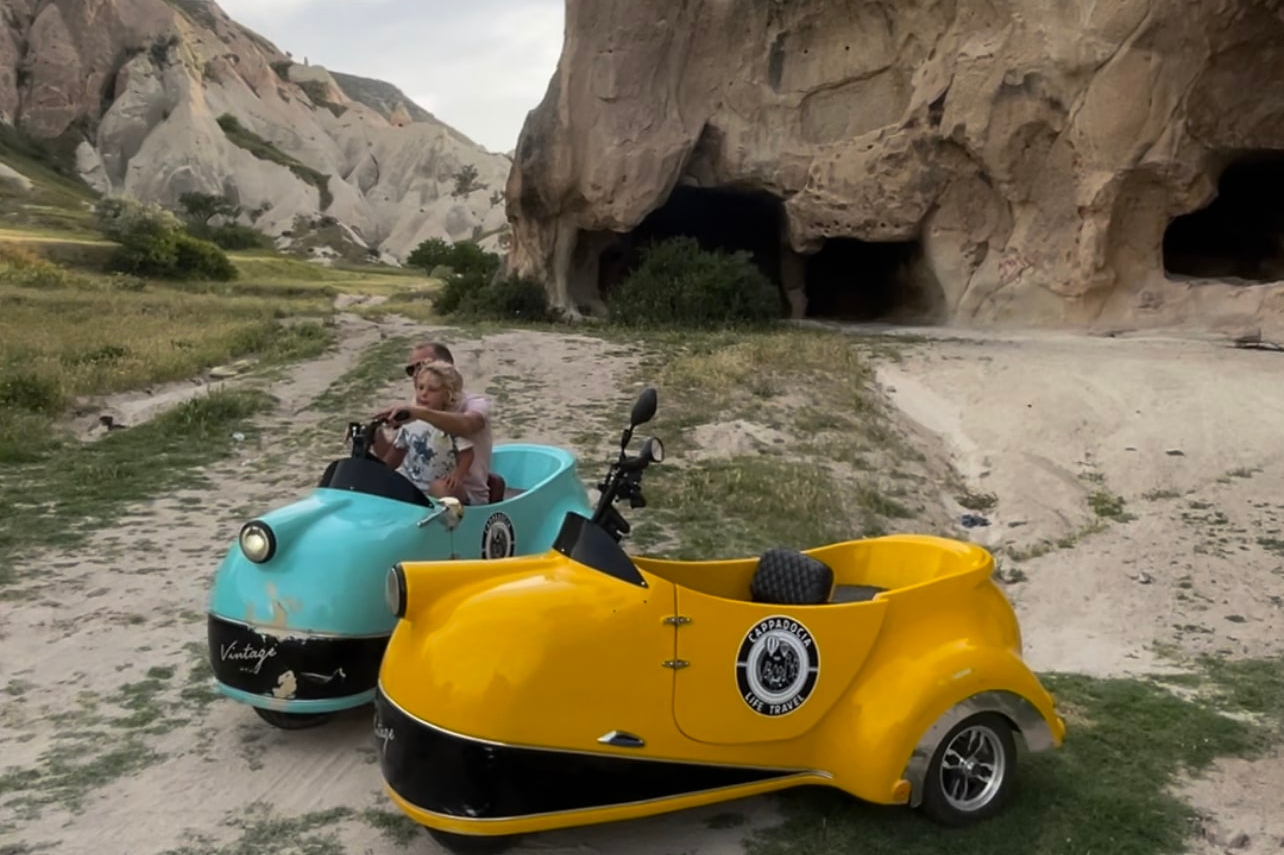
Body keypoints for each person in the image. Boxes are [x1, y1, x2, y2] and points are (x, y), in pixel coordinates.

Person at [376, 341, 493, 505]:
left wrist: (418, 413)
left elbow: (466, 425)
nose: (417, 373)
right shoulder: (415, 409)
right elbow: (394, 455)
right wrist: (374, 433)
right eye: (412, 370)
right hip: (418, 486)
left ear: (447, 368)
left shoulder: (475, 403)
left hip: (462, 492)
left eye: (424, 365)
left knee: (440, 489)